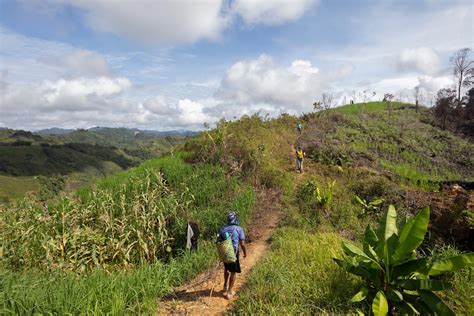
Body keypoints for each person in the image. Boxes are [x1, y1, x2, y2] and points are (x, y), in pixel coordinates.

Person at [219, 211, 247, 299]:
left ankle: (225, 286)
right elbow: (242, 244)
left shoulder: (223, 228)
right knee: (233, 272)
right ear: (235, 218)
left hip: (224, 251)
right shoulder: (239, 229)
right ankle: (229, 292)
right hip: (233, 252)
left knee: (226, 268)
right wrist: (245, 252)